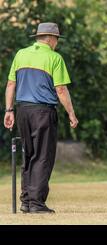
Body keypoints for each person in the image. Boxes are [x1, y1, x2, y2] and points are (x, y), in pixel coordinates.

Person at [3, 22, 78, 213]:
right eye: (57, 40)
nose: (57, 43)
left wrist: (9, 110)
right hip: (43, 112)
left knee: (28, 155)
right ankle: (36, 203)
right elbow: (60, 89)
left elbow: (11, 84)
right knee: (43, 156)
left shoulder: (21, 54)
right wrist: (71, 113)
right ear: (51, 39)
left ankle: (26, 201)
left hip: (22, 111)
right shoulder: (55, 58)